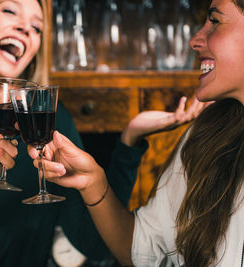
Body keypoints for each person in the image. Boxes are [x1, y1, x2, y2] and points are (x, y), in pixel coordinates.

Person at [0, 0, 204, 266]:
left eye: (37, 27)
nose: (25, 29)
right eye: (10, 9)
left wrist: (129, 141)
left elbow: (96, 246)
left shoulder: (48, 127)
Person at [28, 0, 244, 266]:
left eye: (215, 21)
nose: (195, 40)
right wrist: (93, 181)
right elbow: (145, 252)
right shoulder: (206, 136)